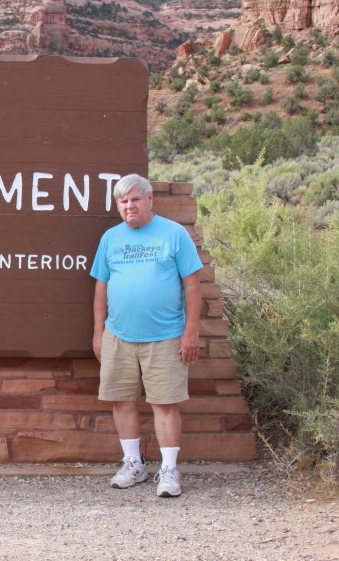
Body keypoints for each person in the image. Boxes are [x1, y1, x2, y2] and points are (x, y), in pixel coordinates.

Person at [89, 174, 203, 498]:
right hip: (119, 336)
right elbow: (101, 286)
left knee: (164, 403)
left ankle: (168, 470)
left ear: (150, 199)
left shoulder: (174, 234)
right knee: (121, 400)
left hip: (165, 336)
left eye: (135, 200)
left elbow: (192, 285)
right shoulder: (110, 238)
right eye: (123, 202)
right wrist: (99, 332)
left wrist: (190, 331)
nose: (129, 206)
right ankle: (133, 463)